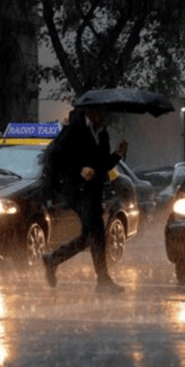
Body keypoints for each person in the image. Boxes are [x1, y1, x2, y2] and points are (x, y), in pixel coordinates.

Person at [42, 105, 128, 294]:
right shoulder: (74, 130)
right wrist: (79, 170)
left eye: (104, 112)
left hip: (93, 191)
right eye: (99, 112)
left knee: (88, 237)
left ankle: (53, 259)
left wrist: (117, 155)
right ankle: (103, 280)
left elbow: (102, 165)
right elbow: (57, 158)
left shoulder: (102, 134)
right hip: (76, 190)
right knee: (96, 231)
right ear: (89, 112)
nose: (103, 115)